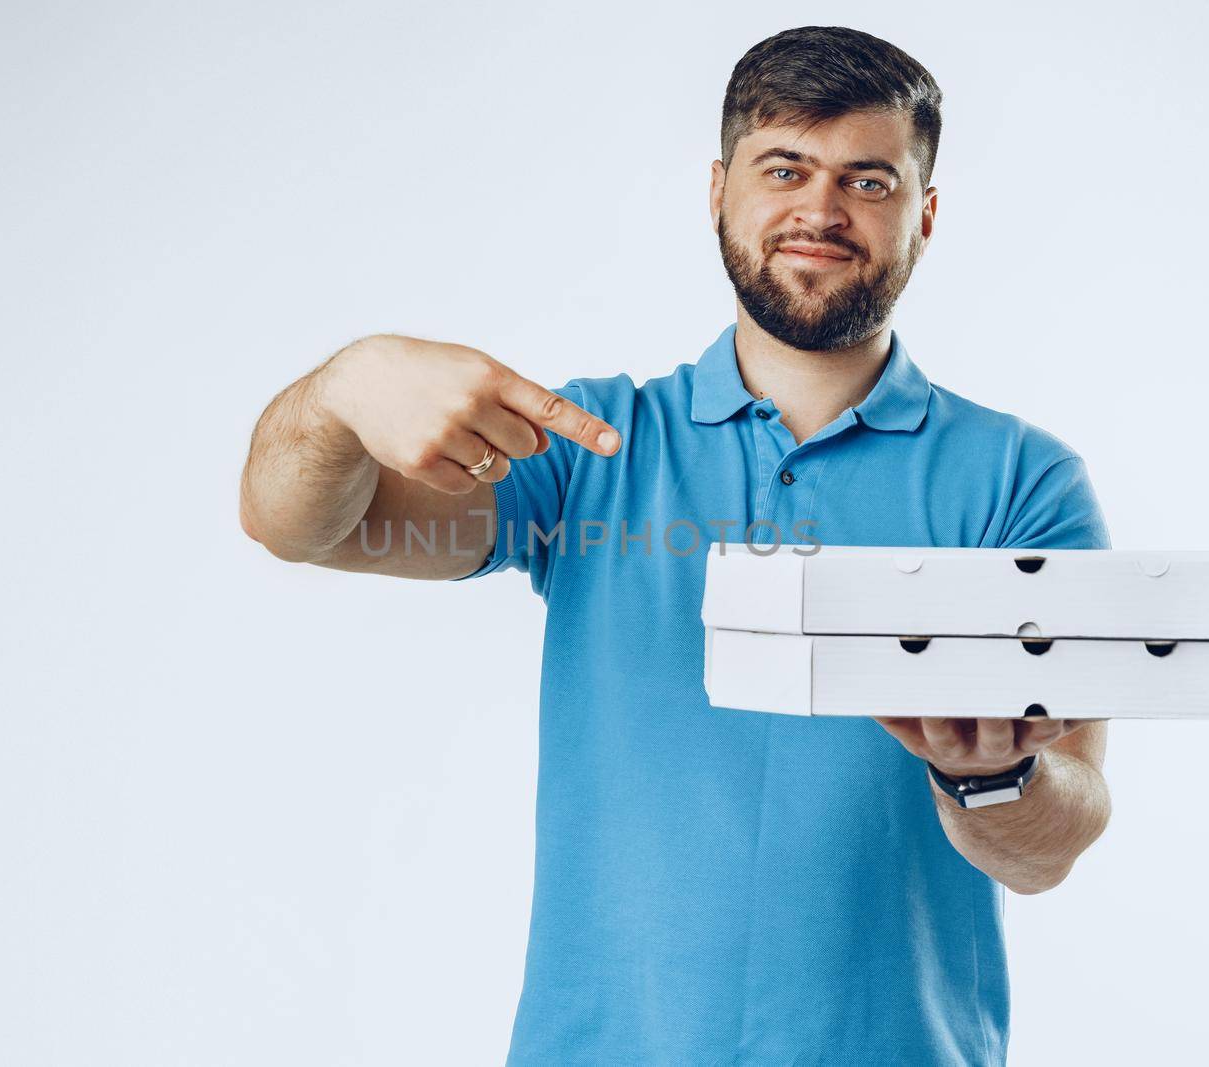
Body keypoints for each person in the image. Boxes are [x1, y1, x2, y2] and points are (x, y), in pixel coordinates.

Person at [240, 25, 1112, 1066]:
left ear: (923, 214)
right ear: (717, 190)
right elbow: (301, 523)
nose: (820, 210)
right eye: (783, 168)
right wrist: (340, 390)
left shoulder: (1021, 480)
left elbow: (1057, 839)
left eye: (868, 180)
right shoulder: (585, 448)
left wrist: (991, 774)